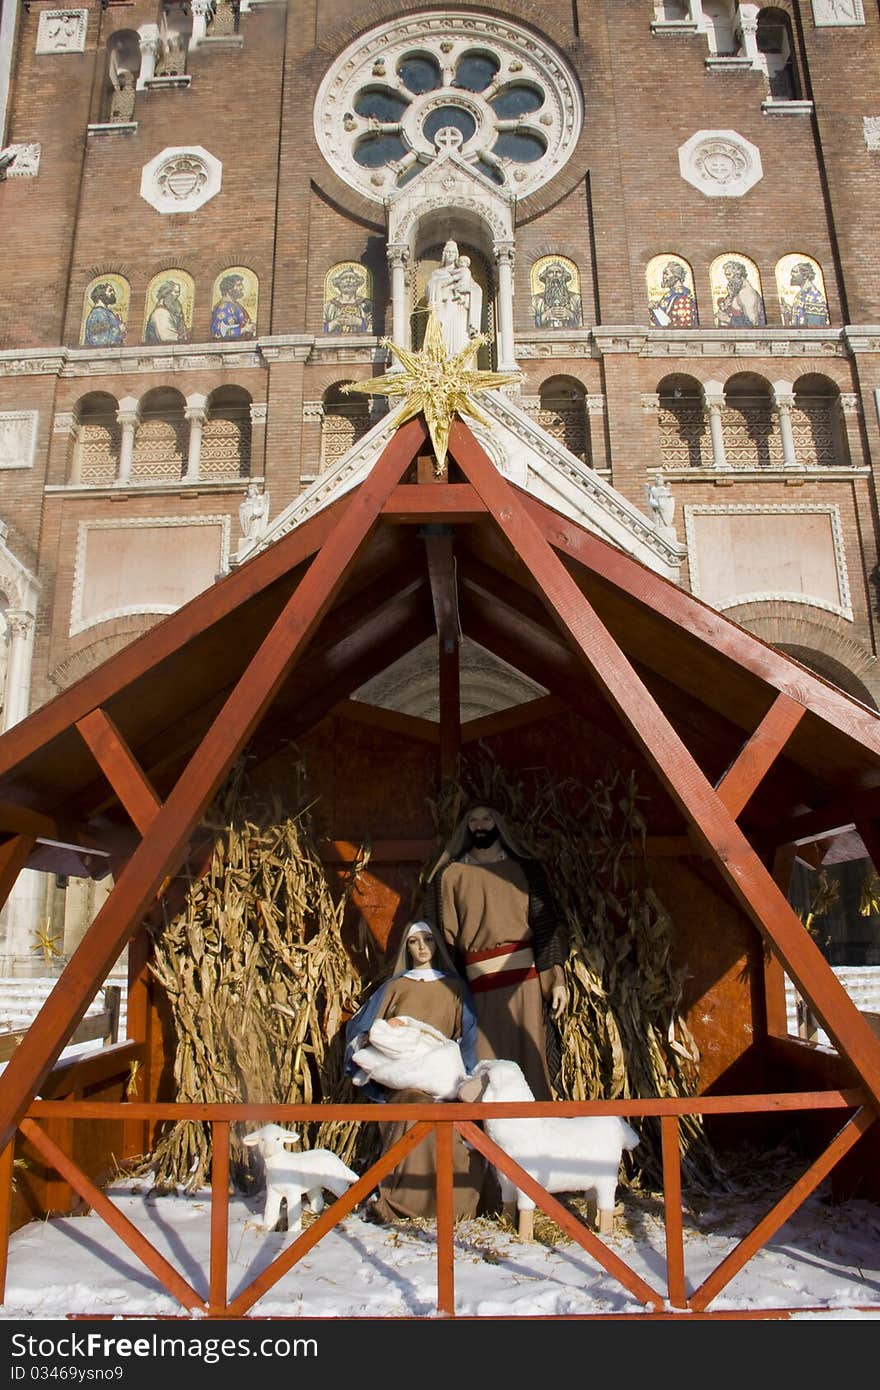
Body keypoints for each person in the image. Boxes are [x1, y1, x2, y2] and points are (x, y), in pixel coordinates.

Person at [344, 920, 485, 1224]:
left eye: (428, 940)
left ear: (437, 945)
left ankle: (455, 1204)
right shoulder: (395, 987)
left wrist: (467, 1075)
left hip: (445, 1080)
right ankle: (402, 1201)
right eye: (414, 941)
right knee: (417, 1109)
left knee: (451, 1120)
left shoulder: (454, 988)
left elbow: (470, 1035)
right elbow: (360, 1029)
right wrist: (378, 1033)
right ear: (406, 948)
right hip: (405, 1082)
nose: (421, 947)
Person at [425, 804, 568, 1101]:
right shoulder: (450, 876)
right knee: (485, 1069)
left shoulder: (525, 869)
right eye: (473, 819)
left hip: (524, 985)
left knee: (530, 1062)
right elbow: (442, 940)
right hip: (479, 989)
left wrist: (556, 979)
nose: (480, 825)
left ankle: (538, 1135)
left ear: (498, 823)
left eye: (487, 817)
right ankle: (484, 1140)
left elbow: (545, 927)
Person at [426, 240, 481, 353]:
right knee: (443, 339)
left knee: (460, 340)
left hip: (459, 311)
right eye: (448, 252)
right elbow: (430, 288)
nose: (450, 254)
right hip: (443, 310)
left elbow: (476, 289)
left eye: (453, 252)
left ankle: (462, 366)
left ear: (457, 255)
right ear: (444, 254)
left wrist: (468, 291)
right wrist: (451, 280)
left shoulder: (463, 271)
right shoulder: (437, 273)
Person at [532, 260, 583, 330]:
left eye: (558, 272)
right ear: (546, 277)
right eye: (550, 272)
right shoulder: (536, 300)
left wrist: (570, 315)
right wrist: (544, 316)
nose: (554, 275)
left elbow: (583, 320)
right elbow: (528, 322)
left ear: (564, 276)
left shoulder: (576, 298)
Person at [715, 259, 766, 328]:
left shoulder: (746, 293)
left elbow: (753, 324)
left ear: (738, 274)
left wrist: (728, 319)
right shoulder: (738, 290)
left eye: (729, 275)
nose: (728, 279)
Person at [323, 266, 372, 335]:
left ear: (358, 284)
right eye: (344, 278)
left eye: (352, 278)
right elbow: (319, 329)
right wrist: (335, 322)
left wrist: (359, 322)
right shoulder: (328, 306)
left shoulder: (367, 304)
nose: (348, 281)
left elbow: (374, 327)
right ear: (338, 284)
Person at [650, 261, 699, 328]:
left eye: (666, 274)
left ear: (676, 277)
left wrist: (655, 309)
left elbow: (680, 324)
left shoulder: (682, 298)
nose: (664, 277)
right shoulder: (670, 295)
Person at [782, 261, 829, 328]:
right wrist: (788, 311)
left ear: (805, 276)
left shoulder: (813, 295)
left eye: (795, 272)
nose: (792, 274)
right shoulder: (802, 293)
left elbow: (815, 326)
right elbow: (799, 316)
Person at [211, 273, 255, 339]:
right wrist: (244, 329)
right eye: (238, 285)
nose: (242, 288)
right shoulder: (224, 307)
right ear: (229, 289)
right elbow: (219, 332)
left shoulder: (236, 305)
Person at [144, 279, 188, 343]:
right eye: (175, 292)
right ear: (166, 293)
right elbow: (167, 338)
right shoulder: (160, 313)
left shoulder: (172, 312)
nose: (177, 295)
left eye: (178, 292)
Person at [83, 282, 125, 347]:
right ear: (101, 294)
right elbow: (100, 341)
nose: (113, 293)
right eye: (110, 291)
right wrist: (119, 329)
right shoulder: (98, 313)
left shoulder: (105, 312)